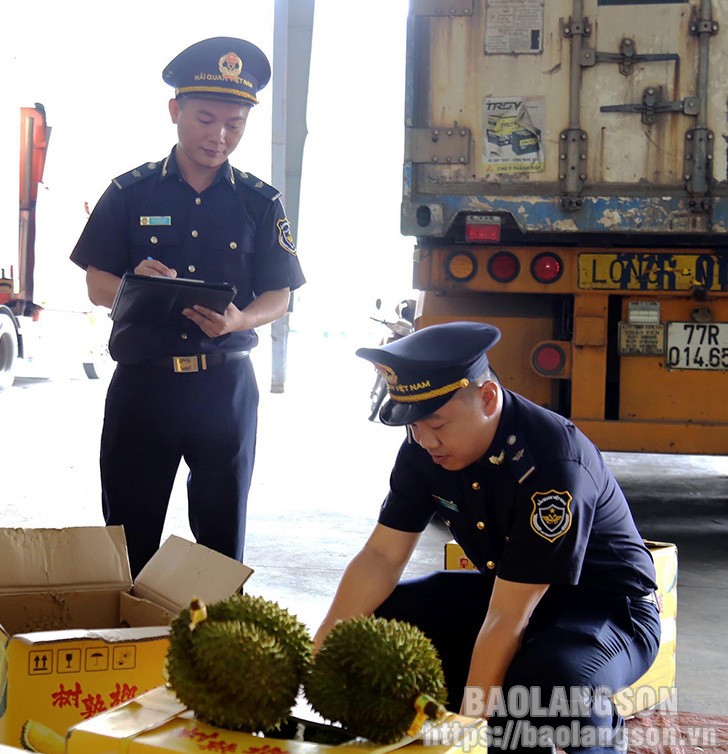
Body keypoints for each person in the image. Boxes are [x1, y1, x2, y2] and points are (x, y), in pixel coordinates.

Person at [314, 322, 661, 754]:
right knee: (377, 623)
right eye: (413, 427)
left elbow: (507, 619)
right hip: (508, 592)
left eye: (436, 422)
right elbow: (382, 556)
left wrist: (466, 729)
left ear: (487, 398)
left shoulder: (552, 462)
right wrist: (321, 645)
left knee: (549, 686)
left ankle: (601, 742)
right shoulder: (423, 447)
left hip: (609, 608)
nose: (424, 440)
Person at [69, 37, 305, 577]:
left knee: (221, 540)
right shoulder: (130, 193)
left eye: (235, 124)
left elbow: (280, 293)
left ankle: (217, 655)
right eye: (205, 119)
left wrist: (242, 319)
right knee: (128, 537)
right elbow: (96, 282)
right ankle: (134, 648)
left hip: (223, 388)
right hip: (143, 384)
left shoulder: (259, 201)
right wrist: (131, 284)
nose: (219, 137)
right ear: (175, 111)